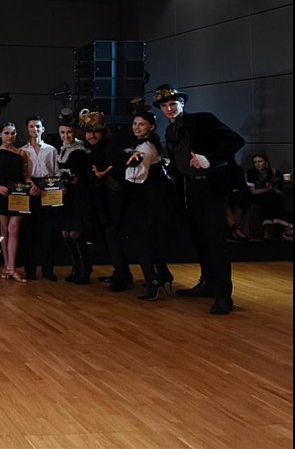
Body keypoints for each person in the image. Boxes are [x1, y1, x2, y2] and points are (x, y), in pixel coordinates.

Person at [156, 84, 245, 315]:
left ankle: (224, 295)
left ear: (182, 103)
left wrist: (210, 159)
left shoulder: (203, 120)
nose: (169, 108)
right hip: (191, 189)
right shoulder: (170, 130)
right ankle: (208, 283)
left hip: (210, 187)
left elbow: (236, 140)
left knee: (215, 241)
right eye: (164, 106)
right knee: (200, 239)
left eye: (173, 104)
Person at [123, 109, 175, 301]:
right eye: (135, 124)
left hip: (148, 202)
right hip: (150, 201)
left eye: (141, 124)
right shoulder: (147, 146)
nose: (137, 127)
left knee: (143, 242)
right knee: (148, 241)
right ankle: (163, 276)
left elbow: (135, 177)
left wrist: (126, 166)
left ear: (151, 127)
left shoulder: (145, 149)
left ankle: (153, 283)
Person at [81, 110, 132, 292]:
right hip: (104, 200)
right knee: (108, 236)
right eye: (88, 132)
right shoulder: (94, 149)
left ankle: (122, 276)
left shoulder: (112, 148)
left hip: (115, 199)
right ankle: (121, 273)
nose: (91, 136)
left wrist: (104, 177)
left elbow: (121, 179)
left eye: (95, 131)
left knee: (113, 236)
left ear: (103, 131)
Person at [0, 122, 32, 283]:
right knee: (4, 230)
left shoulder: (22, 153)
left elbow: (26, 175)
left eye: (13, 133)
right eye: (7, 133)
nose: (10, 136)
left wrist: (30, 187)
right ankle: (6, 265)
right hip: (2, 194)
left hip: (18, 195)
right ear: (0, 134)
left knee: (13, 229)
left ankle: (12, 268)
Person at [21, 115, 61, 281]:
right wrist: (31, 186)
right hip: (30, 190)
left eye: (38, 126)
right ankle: (30, 270)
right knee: (29, 232)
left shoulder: (51, 150)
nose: (35, 129)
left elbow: (56, 172)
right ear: (27, 129)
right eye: (31, 126)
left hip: (48, 189)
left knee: (47, 232)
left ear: (43, 129)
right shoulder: (22, 151)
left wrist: (53, 189)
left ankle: (48, 270)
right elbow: (22, 174)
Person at [56, 111, 94, 284]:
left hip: (79, 195)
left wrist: (69, 180)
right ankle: (76, 267)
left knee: (75, 233)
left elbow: (81, 177)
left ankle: (85, 268)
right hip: (66, 196)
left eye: (69, 132)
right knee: (65, 233)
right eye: (63, 132)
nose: (66, 136)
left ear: (75, 132)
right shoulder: (61, 148)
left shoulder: (80, 150)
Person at [246, 153, 292, 241]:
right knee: (269, 197)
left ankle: (268, 227)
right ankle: (282, 225)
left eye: (260, 161)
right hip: (258, 196)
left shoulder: (277, 173)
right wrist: (268, 190)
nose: (257, 164)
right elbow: (254, 192)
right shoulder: (251, 173)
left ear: (266, 162)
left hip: (272, 196)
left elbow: (280, 191)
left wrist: (274, 189)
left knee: (273, 197)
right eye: (255, 162)